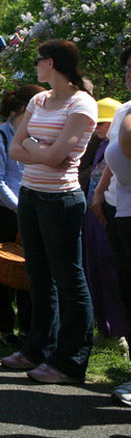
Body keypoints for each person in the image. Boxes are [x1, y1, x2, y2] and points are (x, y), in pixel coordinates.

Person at [1, 40, 97, 384]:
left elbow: (59, 158)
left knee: (69, 279)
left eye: (38, 60)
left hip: (61, 200)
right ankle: (37, 348)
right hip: (31, 195)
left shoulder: (81, 104)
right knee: (39, 279)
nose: (35, 66)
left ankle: (70, 360)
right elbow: (16, 147)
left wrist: (38, 150)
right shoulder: (38, 100)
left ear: (51, 63)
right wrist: (41, 150)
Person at [0, 85, 44, 346]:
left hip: (28, 210)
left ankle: (29, 326)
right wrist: (19, 207)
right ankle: (4, 326)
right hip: (1, 212)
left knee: (28, 270)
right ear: (21, 109)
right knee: (0, 269)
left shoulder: (35, 136)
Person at [90, 46, 131, 406]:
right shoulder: (125, 111)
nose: (130, 74)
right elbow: (109, 160)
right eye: (129, 68)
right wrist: (100, 194)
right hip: (119, 211)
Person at [81, 98, 129, 352]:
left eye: (102, 123)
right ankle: (105, 327)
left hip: (112, 213)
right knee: (96, 272)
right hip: (94, 214)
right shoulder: (100, 146)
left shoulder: (118, 144)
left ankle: (120, 331)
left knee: (112, 274)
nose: (98, 128)